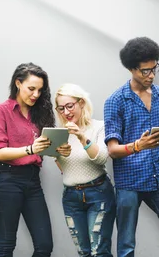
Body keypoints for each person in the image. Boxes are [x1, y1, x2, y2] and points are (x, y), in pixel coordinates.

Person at [104, 36, 159, 257]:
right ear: (132, 69)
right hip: (129, 183)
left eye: (154, 69)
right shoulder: (115, 101)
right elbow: (112, 150)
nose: (151, 75)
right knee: (126, 248)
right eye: (145, 71)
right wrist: (138, 145)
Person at [0, 62, 70, 257]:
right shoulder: (2, 110)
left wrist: (60, 151)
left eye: (40, 90)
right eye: (31, 88)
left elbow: (47, 150)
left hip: (33, 182)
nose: (35, 94)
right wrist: (30, 149)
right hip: (7, 180)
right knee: (6, 246)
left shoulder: (39, 114)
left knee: (44, 246)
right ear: (18, 83)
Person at [55, 83, 116, 257]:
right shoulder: (60, 134)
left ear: (81, 103)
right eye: (61, 108)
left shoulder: (99, 127)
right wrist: (56, 155)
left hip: (98, 194)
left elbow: (102, 158)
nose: (66, 112)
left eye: (70, 106)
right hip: (71, 197)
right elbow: (65, 169)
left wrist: (82, 137)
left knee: (100, 252)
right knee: (83, 253)